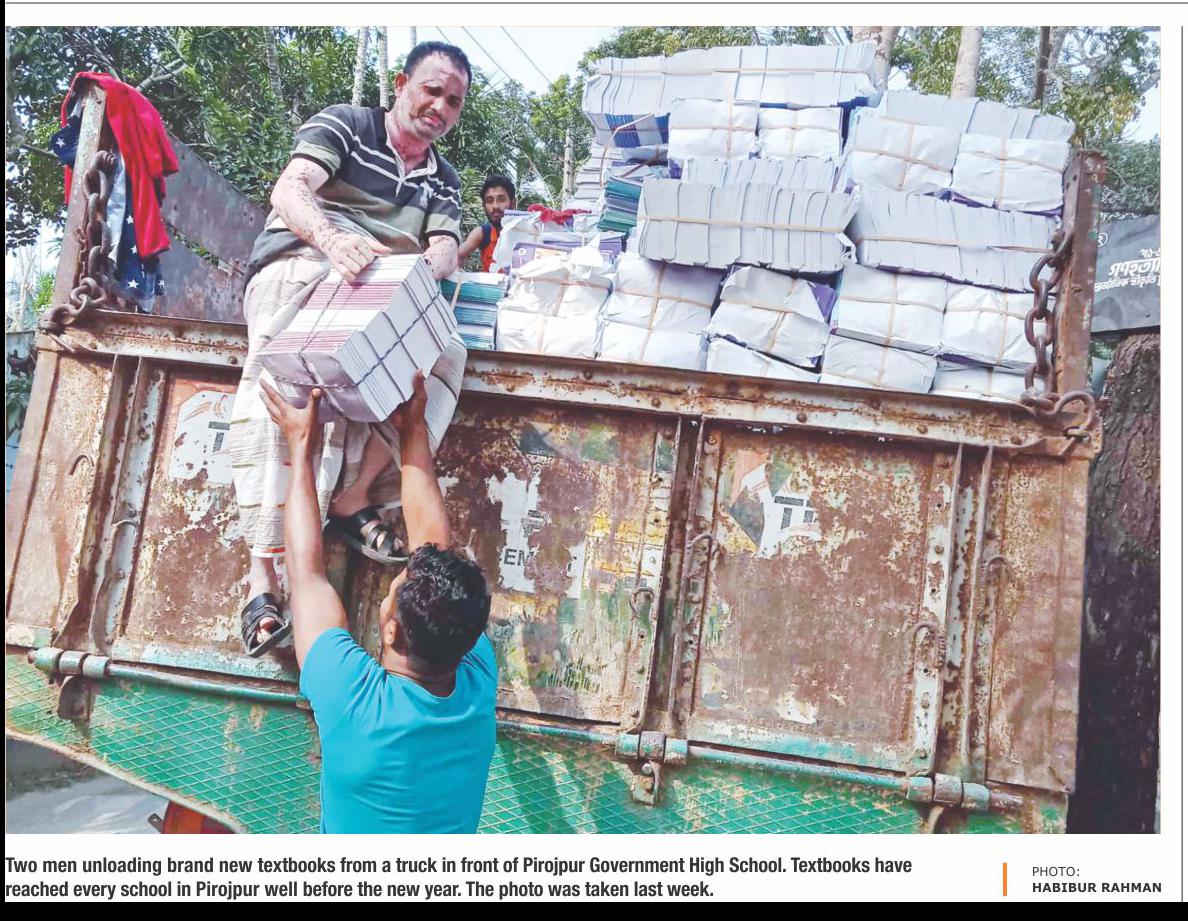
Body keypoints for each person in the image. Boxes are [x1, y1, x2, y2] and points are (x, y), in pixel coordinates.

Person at [229, 42, 473, 655]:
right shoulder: (348, 124)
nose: (440, 107)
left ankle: (355, 494)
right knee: (283, 380)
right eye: (432, 91)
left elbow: (446, 250)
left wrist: (412, 273)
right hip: (306, 257)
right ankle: (262, 575)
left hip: (383, 278)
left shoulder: (443, 179)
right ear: (401, 83)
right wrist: (333, 241)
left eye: (453, 101)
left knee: (445, 354)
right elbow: (291, 192)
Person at [259, 371, 496, 833]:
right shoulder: (474, 681)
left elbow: (308, 577)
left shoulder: (358, 702)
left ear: (391, 629)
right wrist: (412, 431)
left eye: (395, 587)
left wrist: (301, 446)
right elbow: (429, 550)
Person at [457, 174, 517, 272]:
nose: (495, 206)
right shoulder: (483, 233)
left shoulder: (528, 232)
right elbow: (456, 257)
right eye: (489, 201)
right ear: (484, 206)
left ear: (513, 203)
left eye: (501, 200)